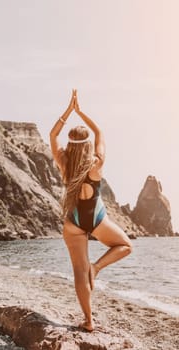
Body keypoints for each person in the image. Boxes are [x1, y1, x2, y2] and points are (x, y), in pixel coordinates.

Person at [49, 89, 133, 332]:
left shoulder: (63, 162)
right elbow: (99, 133)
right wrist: (81, 111)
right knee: (125, 246)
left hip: (73, 223)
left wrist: (67, 112)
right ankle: (96, 268)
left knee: (78, 272)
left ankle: (89, 320)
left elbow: (53, 134)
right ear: (86, 145)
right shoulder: (96, 164)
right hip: (97, 220)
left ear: (70, 143)